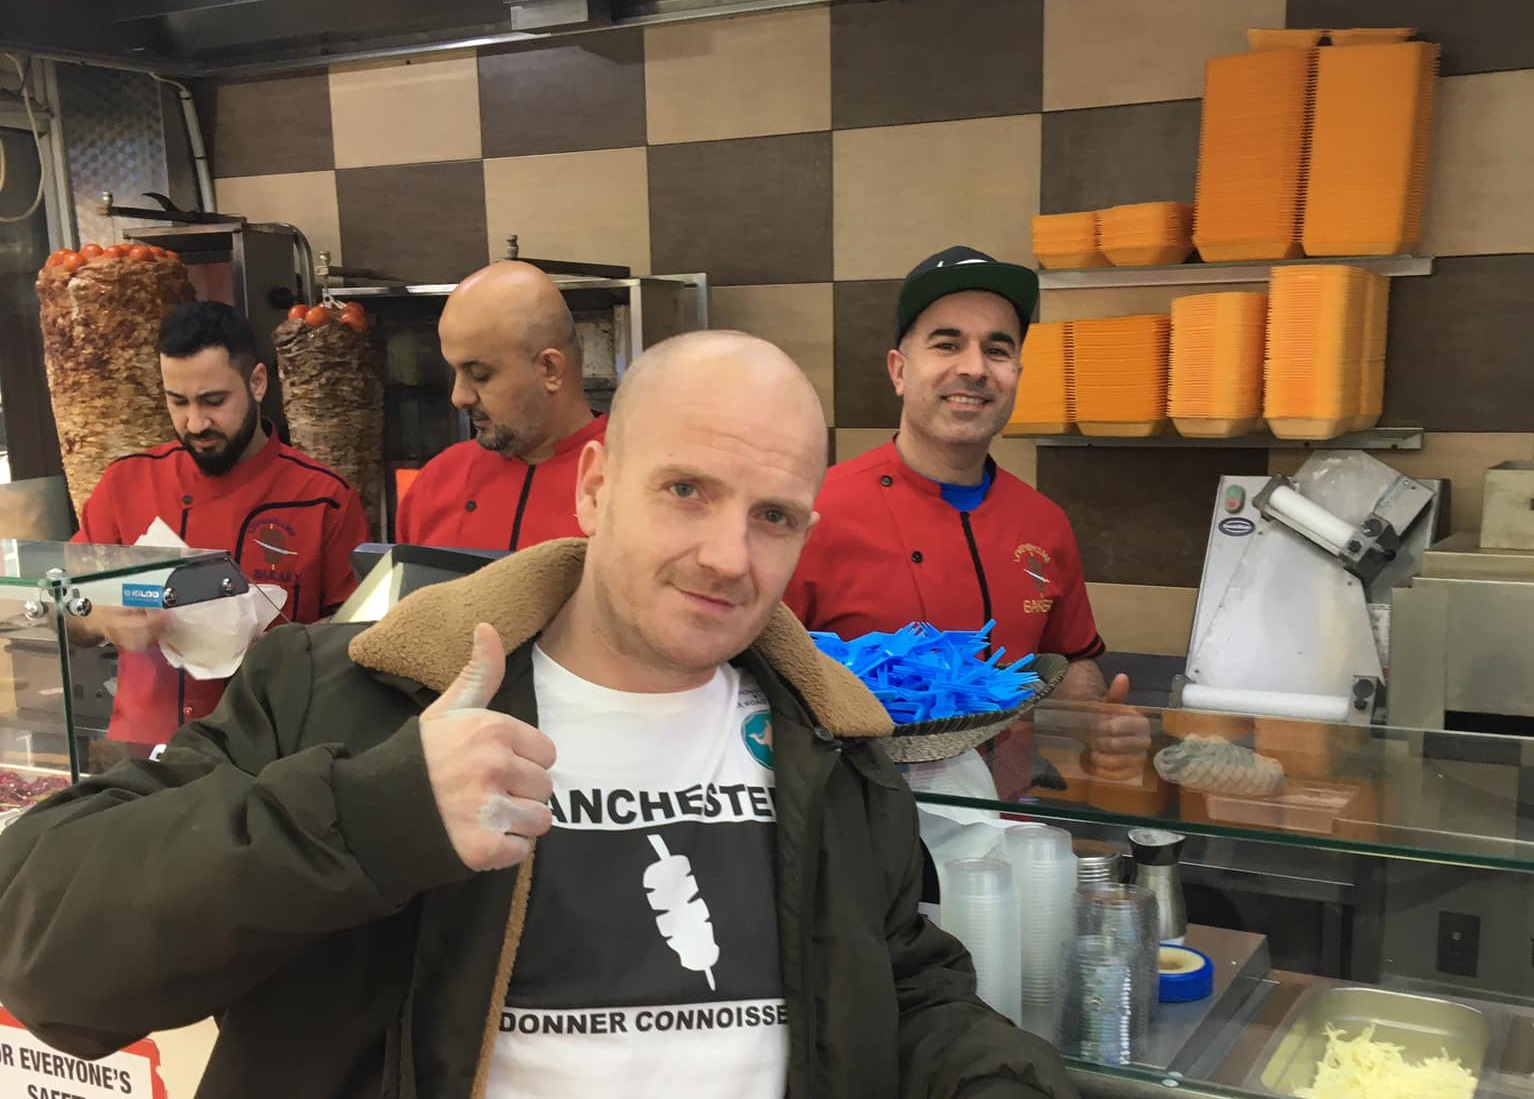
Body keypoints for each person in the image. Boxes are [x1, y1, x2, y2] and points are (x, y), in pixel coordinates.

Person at [0, 330, 1080, 1099]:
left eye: (773, 516)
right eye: (686, 490)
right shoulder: (349, 692)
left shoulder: (828, 742)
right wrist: (370, 819)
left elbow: (895, 978)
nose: (727, 556)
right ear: (598, 485)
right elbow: (45, 951)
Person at [784, 246, 1150, 784]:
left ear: (1016, 375)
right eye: (947, 344)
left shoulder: (1044, 523)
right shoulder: (813, 515)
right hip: (854, 838)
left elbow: (1067, 659)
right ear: (900, 371)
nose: (975, 368)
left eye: (997, 350)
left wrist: (1096, 722)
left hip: (1005, 832)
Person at [71, 300, 369, 750]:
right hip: (143, 754)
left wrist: (288, 646)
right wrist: (105, 618)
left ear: (257, 382)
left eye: (214, 401)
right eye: (178, 402)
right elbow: (64, 601)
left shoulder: (325, 497)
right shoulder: (125, 484)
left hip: (274, 756)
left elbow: (359, 632)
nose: (196, 422)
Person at [394, 261, 605, 551]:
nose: (459, 397)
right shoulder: (437, 481)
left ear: (549, 368)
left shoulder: (633, 481)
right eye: (455, 372)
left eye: (480, 374)